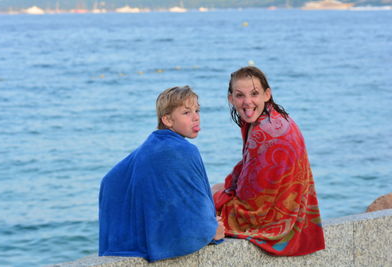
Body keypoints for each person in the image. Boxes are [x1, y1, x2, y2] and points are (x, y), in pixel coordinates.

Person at [99, 86, 224, 262]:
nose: (196, 117)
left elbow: (109, 181)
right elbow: (196, 205)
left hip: (121, 243)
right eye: (186, 113)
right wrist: (211, 230)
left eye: (197, 110)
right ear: (167, 120)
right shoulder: (185, 150)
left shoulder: (150, 146)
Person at [212, 66, 325, 256]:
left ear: (267, 94)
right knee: (216, 191)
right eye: (240, 95)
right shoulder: (277, 117)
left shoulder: (264, 134)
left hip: (274, 219)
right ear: (230, 99)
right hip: (295, 209)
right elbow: (248, 174)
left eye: (254, 93)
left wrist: (218, 199)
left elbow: (252, 205)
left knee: (203, 207)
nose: (247, 102)